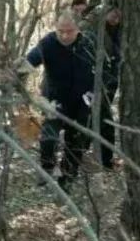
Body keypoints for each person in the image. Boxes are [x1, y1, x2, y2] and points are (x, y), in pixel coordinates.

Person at [26, 10, 96, 189]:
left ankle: (68, 176)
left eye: (69, 31)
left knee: (76, 140)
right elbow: (30, 60)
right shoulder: (48, 43)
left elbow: (104, 69)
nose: (64, 35)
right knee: (48, 137)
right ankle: (47, 169)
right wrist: (16, 72)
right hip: (54, 100)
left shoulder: (89, 43)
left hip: (82, 101)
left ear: (78, 29)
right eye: (60, 31)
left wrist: (94, 93)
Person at [92, 0, 122, 170]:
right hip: (93, 81)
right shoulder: (92, 26)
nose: (115, 18)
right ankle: (106, 161)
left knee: (101, 118)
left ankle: (104, 160)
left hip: (111, 80)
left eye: (119, 16)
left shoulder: (120, 29)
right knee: (102, 120)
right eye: (113, 13)